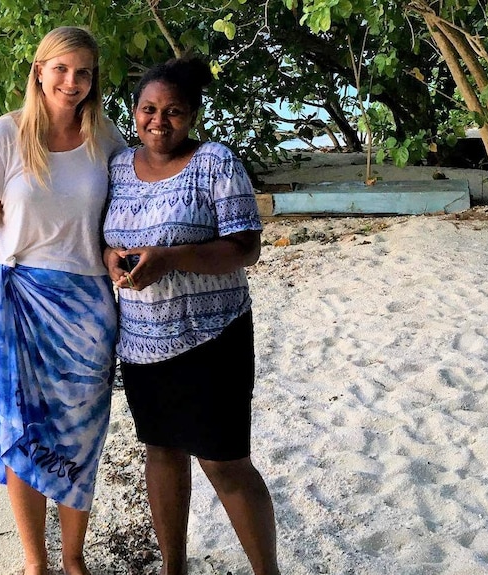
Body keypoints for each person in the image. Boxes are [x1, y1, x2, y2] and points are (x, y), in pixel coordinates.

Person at [0, 26, 126, 575]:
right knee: (19, 431)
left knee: (81, 435)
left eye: (83, 73)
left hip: (89, 311)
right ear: (39, 69)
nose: (71, 82)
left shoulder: (108, 138)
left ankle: (73, 560)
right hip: (17, 303)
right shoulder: (5, 135)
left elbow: (121, 222)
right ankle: (38, 563)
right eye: (61, 69)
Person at [102, 57, 281, 575]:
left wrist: (171, 257)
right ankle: (172, 568)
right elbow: (104, 237)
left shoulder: (216, 162)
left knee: (224, 462)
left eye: (174, 111)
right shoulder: (117, 166)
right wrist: (110, 257)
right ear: (133, 111)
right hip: (140, 340)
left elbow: (246, 247)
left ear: (194, 115)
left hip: (212, 337)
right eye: (149, 109)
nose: (159, 121)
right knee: (160, 452)